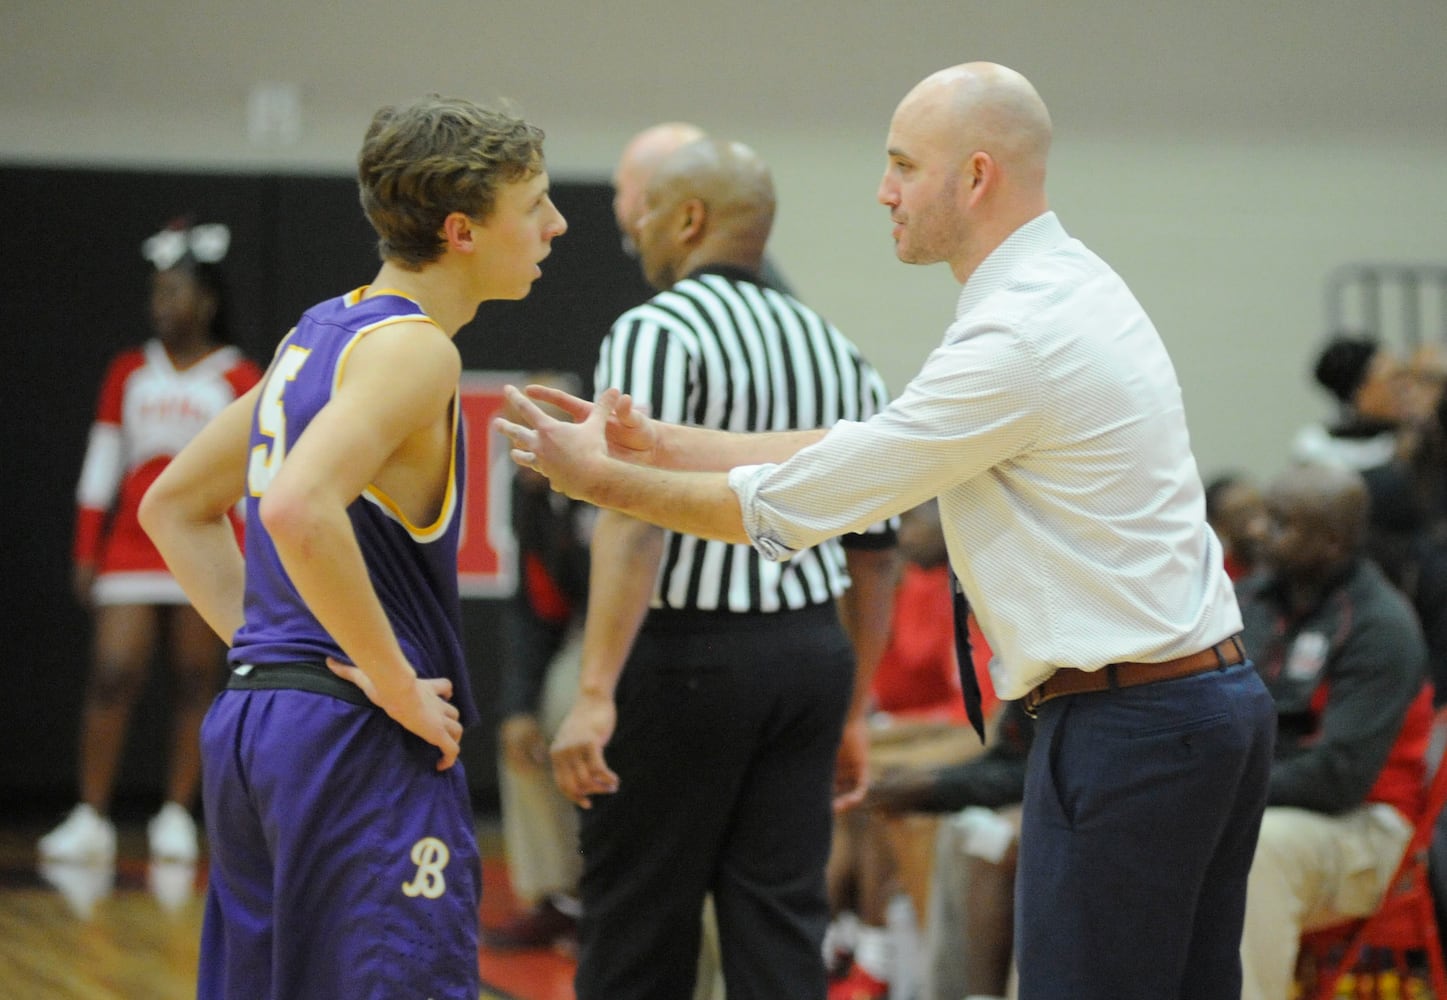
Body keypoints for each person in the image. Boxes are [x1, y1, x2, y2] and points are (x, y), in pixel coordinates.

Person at [498, 61, 1278, 1000]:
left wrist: (606, 481)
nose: (883, 191)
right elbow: (872, 446)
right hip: (1193, 704)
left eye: (903, 165)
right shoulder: (1062, 285)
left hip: (1131, 719)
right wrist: (662, 444)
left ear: (976, 176)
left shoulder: (1016, 335)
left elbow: (791, 504)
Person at [138, 96, 566, 999]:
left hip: (257, 723)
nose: (555, 226)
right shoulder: (417, 352)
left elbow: (173, 508)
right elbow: (296, 506)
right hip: (347, 738)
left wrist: (275, 654)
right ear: (462, 230)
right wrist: (390, 677)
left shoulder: (320, 330)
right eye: (534, 206)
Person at [548, 135, 898, 1000]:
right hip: (810, 659)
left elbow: (633, 521)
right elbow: (877, 552)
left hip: (686, 660)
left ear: (690, 219)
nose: (638, 235)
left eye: (649, 216)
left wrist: (594, 691)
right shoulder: (840, 349)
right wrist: (853, 706)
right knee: (780, 927)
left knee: (637, 924)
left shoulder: (655, 330)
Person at [40, 225, 262, 866]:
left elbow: (247, 480)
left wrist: (242, 564)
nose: (161, 305)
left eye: (174, 293)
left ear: (207, 302)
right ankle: (90, 816)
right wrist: (88, 549)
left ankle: (175, 813)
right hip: (131, 547)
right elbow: (101, 464)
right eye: (156, 293)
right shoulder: (129, 371)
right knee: (113, 672)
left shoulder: (239, 374)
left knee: (197, 678)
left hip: (205, 542)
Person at [1236, 462, 1433, 1000]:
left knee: (1256, 851)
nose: (1257, 532)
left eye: (1281, 523)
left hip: (1366, 826)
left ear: (1333, 542)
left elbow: (1339, 778)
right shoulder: (1245, 603)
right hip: (1253, 801)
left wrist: (1216, 793)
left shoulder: (1381, 625)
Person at [483, 373, 592, 951]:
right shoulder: (531, 496)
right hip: (585, 637)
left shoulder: (611, 478)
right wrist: (516, 706)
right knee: (525, 729)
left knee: (574, 705)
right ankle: (557, 897)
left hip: (658, 635)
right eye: (512, 433)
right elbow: (532, 607)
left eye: (531, 431)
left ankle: (605, 894)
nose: (518, 446)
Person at [864, 699, 1034, 1000]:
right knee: (959, 830)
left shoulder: (1077, 672)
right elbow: (1010, 755)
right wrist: (933, 785)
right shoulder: (1025, 672)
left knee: (990, 840)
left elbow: (1036, 773)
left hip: (1078, 804)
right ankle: (934, 990)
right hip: (1033, 794)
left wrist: (937, 787)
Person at [1205, 472, 1269, 580]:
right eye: (1241, 516)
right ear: (1219, 526)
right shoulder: (1218, 578)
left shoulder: (1286, 560)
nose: (1257, 525)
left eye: (1258, 509)